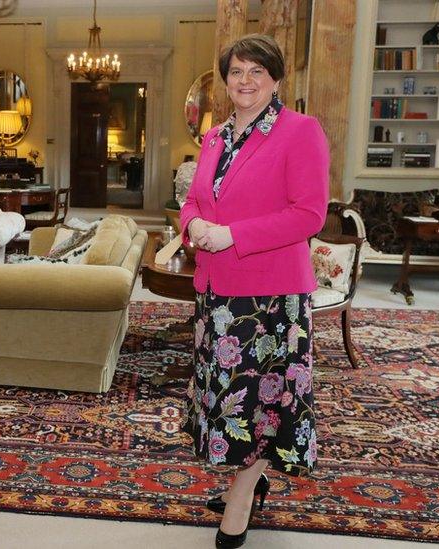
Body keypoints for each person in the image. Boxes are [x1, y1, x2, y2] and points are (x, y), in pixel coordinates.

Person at [179, 34, 328, 549]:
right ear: (226, 80)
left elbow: (309, 214)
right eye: (237, 71)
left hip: (273, 297)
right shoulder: (216, 136)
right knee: (228, 398)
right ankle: (250, 474)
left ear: (276, 79)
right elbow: (194, 199)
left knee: (266, 400)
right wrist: (194, 225)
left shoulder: (300, 131)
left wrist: (233, 235)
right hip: (217, 291)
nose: (245, 81)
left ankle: (242, 494)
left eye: (256, 72)